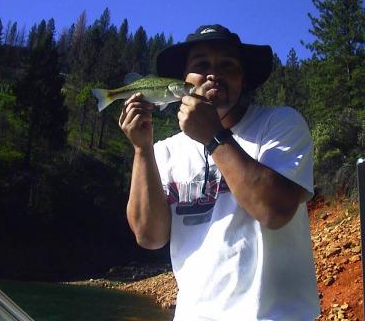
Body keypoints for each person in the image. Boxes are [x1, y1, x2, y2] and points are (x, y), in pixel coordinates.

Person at [119, 25, 320, 320]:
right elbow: (149, 236)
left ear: (243, 78)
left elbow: (274, 211)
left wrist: (213, 136)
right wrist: (141, 149)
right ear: (184, 80)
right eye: (201, 65)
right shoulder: (164, 152)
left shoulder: (280, 124)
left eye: (228, 65)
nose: (213, 74)